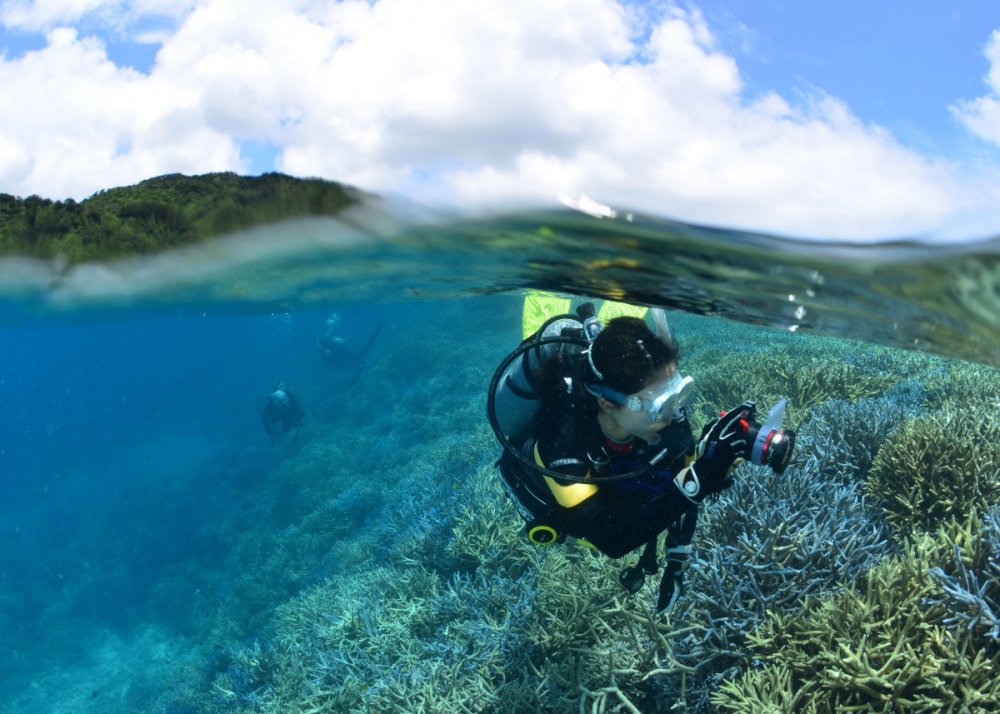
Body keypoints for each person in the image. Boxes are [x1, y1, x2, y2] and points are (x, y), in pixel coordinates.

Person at [490, 301, 787, 614]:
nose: (674, 411)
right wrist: (701, 479)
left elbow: (683, 481)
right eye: (662, 403)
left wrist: (677, 562)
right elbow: (611, 539)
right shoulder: (561, 445)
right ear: (607, 403)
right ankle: (543, 322)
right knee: (539, 334)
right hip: (567, 506)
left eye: (678, 391)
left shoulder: (665, 415)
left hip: (624, 476)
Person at [316, 312, 382, 383]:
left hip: (338, 354)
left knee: (359, 359)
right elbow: (325, 351)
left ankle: (373, 336)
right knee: (359, 362)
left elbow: (339, 343)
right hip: (334, 359)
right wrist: (327, 351)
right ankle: (353, 383)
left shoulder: (330, 336)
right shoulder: (323, 340)